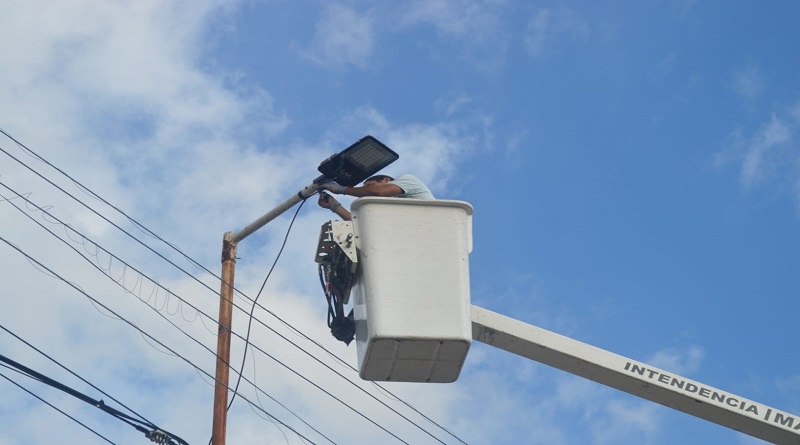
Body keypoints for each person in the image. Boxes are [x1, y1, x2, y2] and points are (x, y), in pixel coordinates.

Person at [317, 174, 434, 220]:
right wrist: (334, 206)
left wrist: (341, 189)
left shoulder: (408, 180)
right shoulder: (390, 208)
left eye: (371, 186)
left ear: (386, 180)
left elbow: (379, 192)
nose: (368, 193)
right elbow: (361, 226)